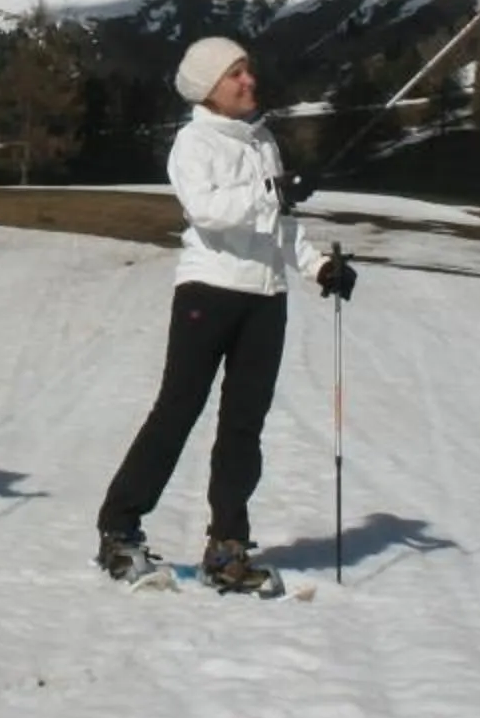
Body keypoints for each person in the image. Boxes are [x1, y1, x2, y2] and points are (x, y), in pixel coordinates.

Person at [94, 36, 357, 594]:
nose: (249, 81)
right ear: (209, 87)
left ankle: (227, 546)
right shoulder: (194, 143)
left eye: (248, 71)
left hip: (266, 298)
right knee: (177, 411)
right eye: (236, 74)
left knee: (244, 426)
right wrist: (272, 190)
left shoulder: (263, 142)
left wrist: (317, 269)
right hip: (208, 292)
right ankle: (119, 528)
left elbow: (280, 226)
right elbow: (209, 212)